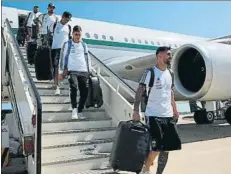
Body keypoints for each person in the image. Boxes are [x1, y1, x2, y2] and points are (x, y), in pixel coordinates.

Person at [132, 46, 181, 174]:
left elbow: (170, 92)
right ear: (159, 56)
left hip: (168, 115)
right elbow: (140, 90)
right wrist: (136, 110)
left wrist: (175, 110)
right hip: (153, 115)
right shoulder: (150, 72)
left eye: (170, 55)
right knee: (157, 147)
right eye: (168, 55)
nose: (170, 57)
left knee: (167, 147)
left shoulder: (171, 74)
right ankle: (146, 169)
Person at [58, 25, 91, 119]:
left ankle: (80, 110)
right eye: (76, 34)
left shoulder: (84, 45)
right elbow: (62, 58)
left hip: (83, 71)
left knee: (84, 91)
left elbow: (87, 58)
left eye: (79, 35)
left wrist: (89, 70)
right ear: (72, 34)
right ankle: (74, 109)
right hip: (72, 71)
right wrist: (61, 71)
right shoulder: (67, 44)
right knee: (74, 87)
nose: (78, 37)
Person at [49, 11, 72, 95]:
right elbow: (48, 34)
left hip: (64, 50)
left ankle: (58, 87)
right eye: (66, 18)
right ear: (62, 16)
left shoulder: (68, 27)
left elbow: (69, 38)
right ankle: (55, 84)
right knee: (55, 67)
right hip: (55, 48)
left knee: (59, 68)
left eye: (69, 19)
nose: (67, 21)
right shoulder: (55, 25)